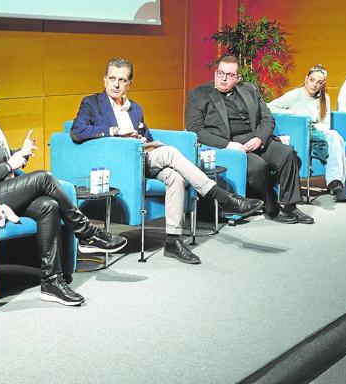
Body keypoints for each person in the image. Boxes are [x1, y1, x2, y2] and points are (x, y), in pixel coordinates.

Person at [0, 72, 127, 306]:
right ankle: (86, 233)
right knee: (44, 178)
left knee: (48, 206)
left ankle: (51, 282)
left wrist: (20, 152)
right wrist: (11, 164)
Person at [71, 58, 264, 265]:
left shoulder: (135, 108)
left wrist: (144, 140)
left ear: (129, 84)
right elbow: (77, 131)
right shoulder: (91, 103)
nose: (116, 84)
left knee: (175, 176)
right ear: (104, 80)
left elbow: (148, 136)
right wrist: (116, 132)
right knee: (171, 153)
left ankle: (172, 241)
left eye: (122, 80)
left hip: (144, 157)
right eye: (112, 79)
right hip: (119, 161)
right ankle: (223, 198)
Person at [186, 55, 315, 225]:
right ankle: (272, 209)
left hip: (256, 139)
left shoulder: (250, 89)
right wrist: (228, 145)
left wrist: (259, 139)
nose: (224, 79)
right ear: (215, 72)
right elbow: (195, 130)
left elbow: (267, 118)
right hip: (230, 146)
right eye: (220, 73)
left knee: (288, 154)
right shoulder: (199, 94)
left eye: (230, 75)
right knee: (258, 166)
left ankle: (291, 206)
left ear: (238, 77)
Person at [267, 64, 346, 201]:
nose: (314, 85)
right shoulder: (295, 95)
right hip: (302, 136)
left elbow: (326, 125)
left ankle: (335, 181)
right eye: (312, 80)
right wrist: (293, 115)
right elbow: (269, 107)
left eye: (319, 82)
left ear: (323, 84)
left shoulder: (325, 99)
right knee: (338, 142)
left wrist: (315, 128)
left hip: (319, 133)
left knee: (334, 136)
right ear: (306, 79)